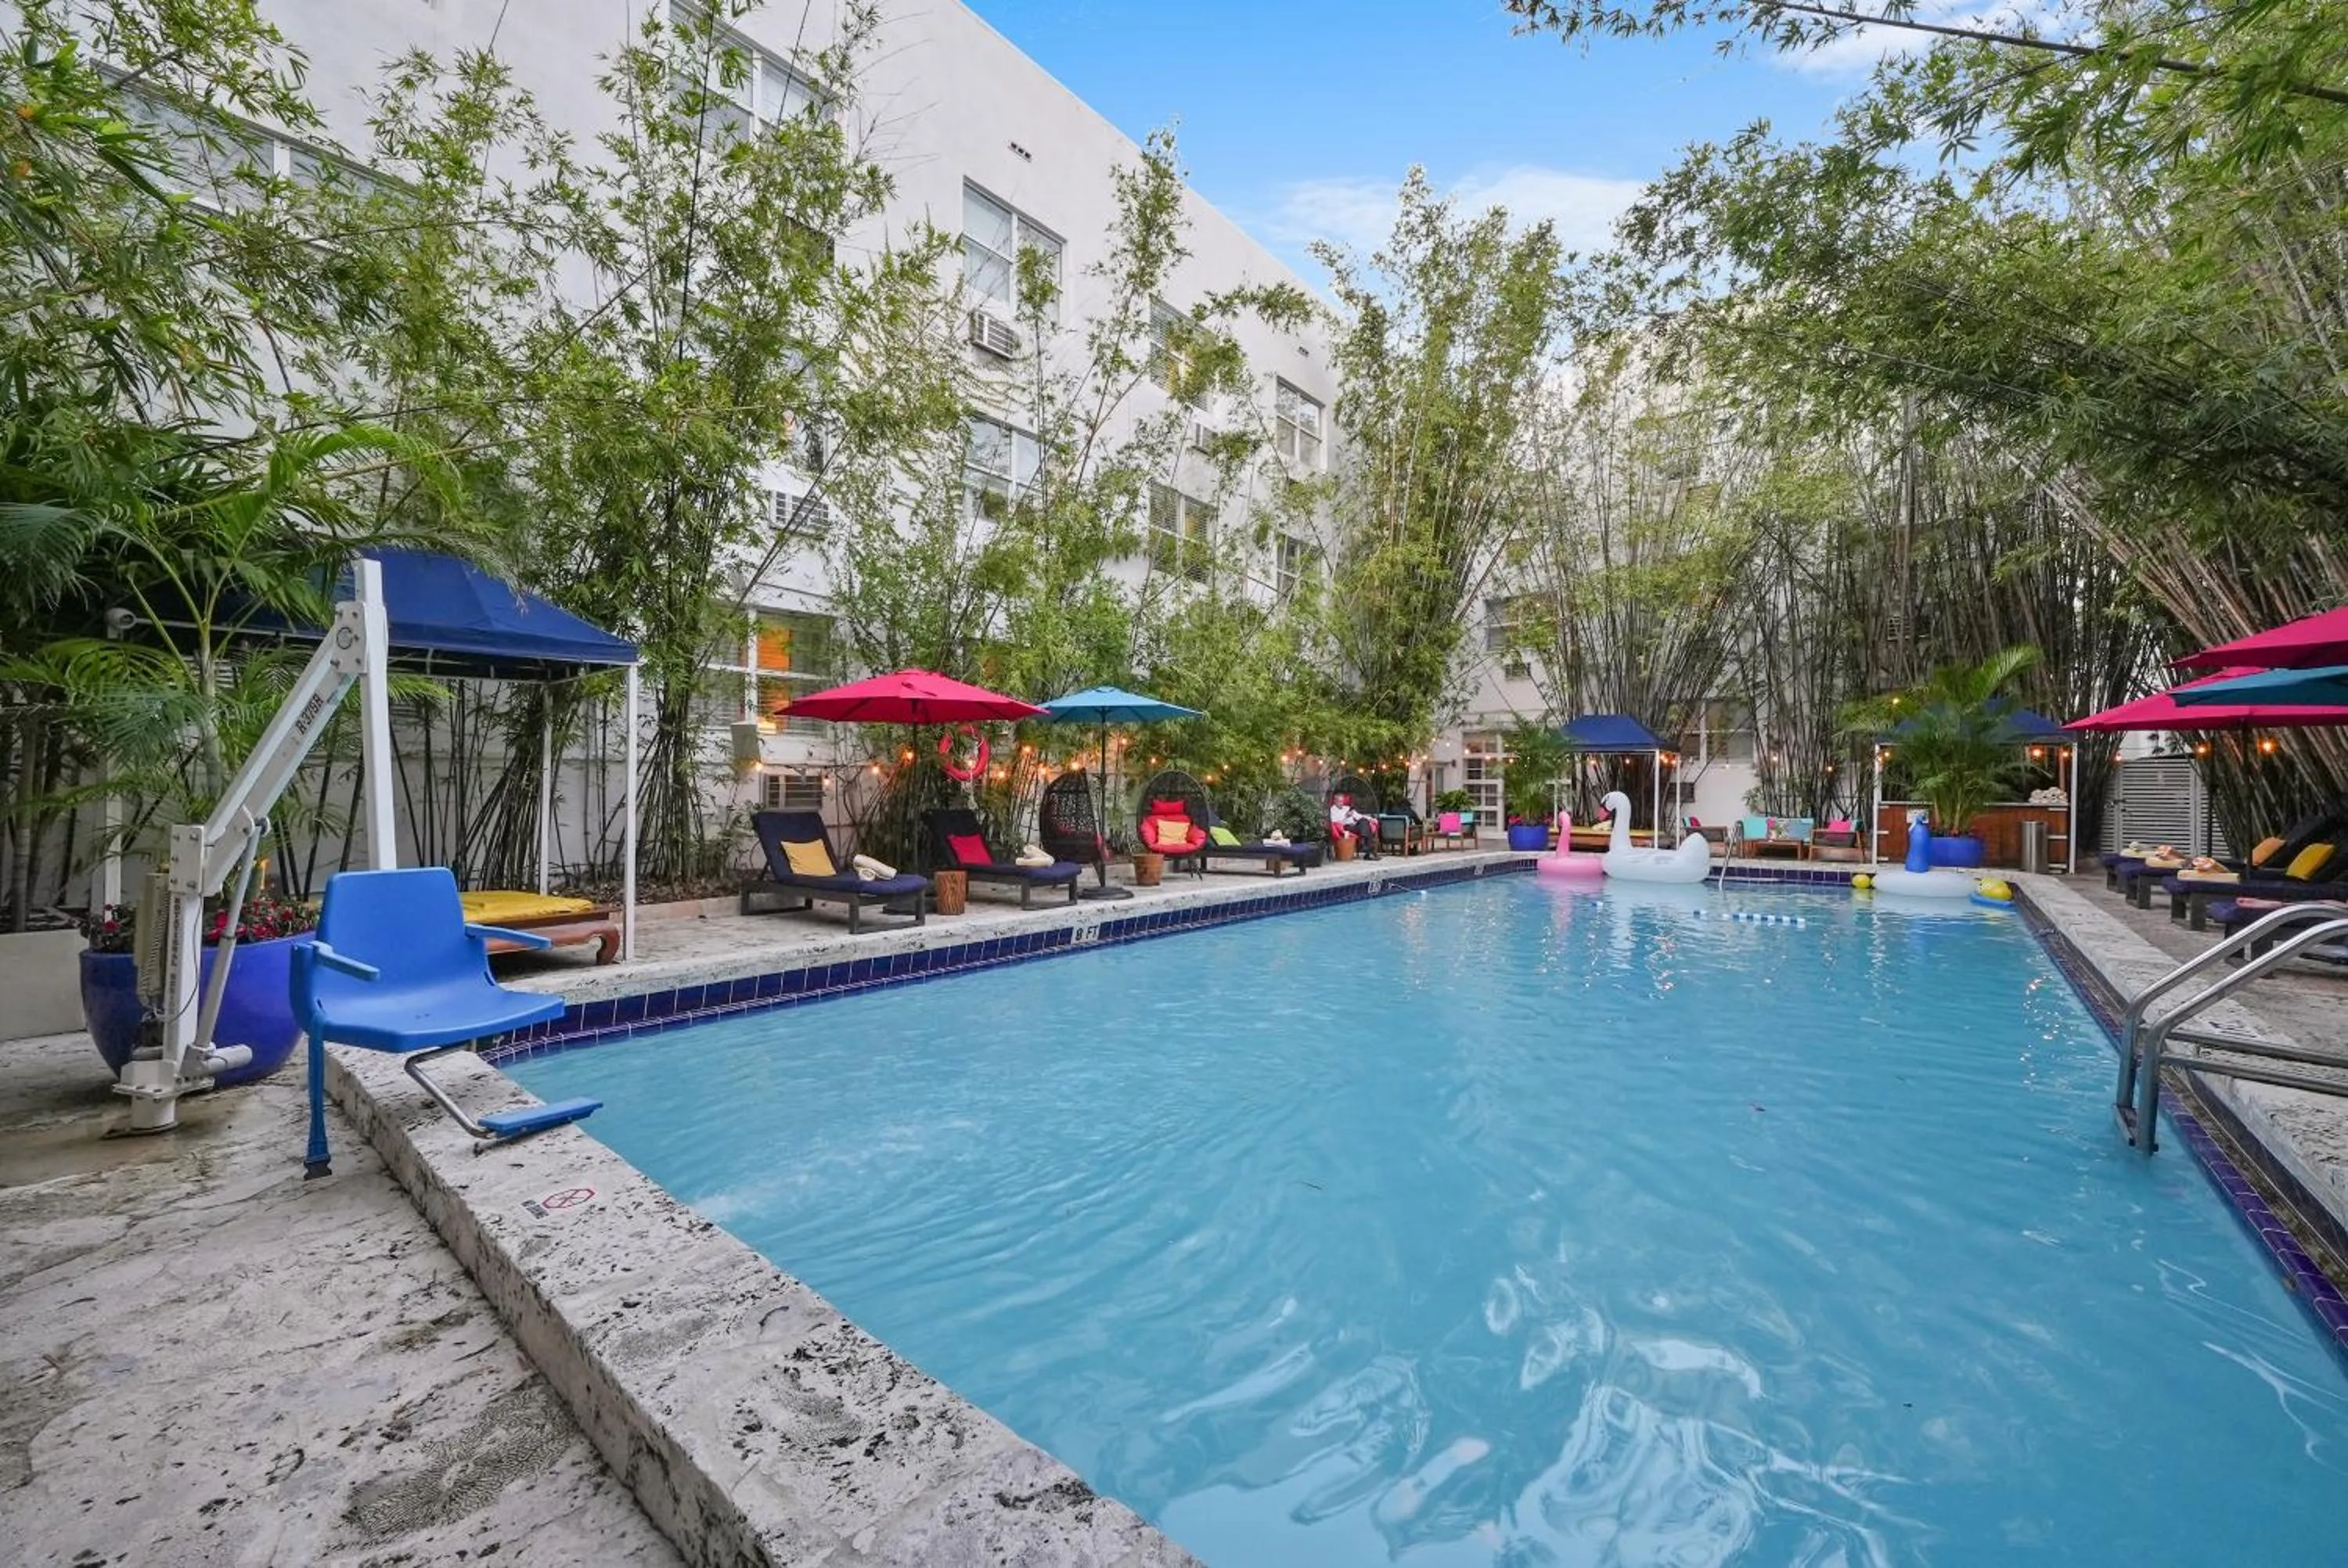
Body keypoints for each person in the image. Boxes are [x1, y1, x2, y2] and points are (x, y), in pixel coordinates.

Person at [1329, 794, 1381, 859]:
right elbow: (1335, 821)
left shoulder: (1347, 808)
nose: (1341, 803)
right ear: (1335, 801)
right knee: (1368, 828)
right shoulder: (1332, 810)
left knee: (1364, 821)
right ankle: (1368, 853)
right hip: (1346, 827)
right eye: (1339, 802)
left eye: (1342, 801)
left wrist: (1371, 819)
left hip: (1356, 825)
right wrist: (1346, 816)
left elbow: (1359, 816)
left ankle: (1363, 841)